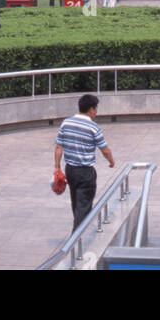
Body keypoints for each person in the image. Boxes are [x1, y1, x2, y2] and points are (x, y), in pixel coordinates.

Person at [54, 93, 115, 231]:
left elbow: (58, 147)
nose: (96, 112)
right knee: (83, 207)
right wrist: (111, 161)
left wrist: (57, 168)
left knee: (77, 205)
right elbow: (105, 150)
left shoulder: (66, 122)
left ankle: (78, 234)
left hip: (70, 170)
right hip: (85, 172)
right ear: (91, 109)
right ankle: (75, 241)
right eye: (96, 109)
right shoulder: (93, 127)